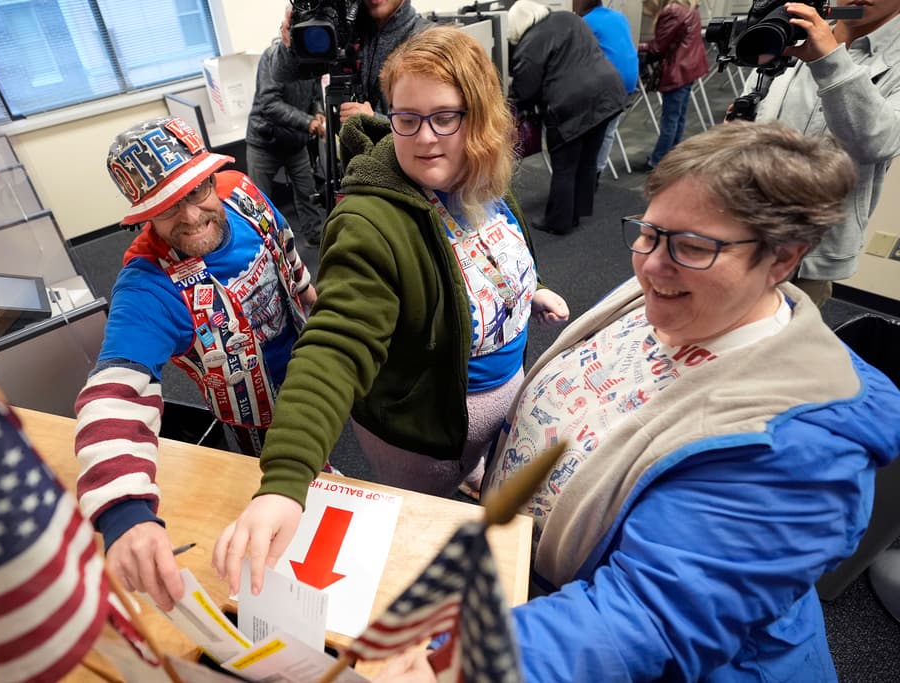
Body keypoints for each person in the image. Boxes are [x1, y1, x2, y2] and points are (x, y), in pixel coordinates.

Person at [378, 121, 900, 682]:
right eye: (648, 232)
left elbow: (646, 617)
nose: (651, 265)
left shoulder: (797, 452)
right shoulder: (676, 297)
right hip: (534, 589)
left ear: (782, 259)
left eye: (692, 246)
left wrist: (461, 660)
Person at [213, 25, 570, 596]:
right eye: (407, 118)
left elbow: (489, 256)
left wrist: (531, 289)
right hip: (423, 434)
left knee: (483, 483)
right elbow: (335, 346)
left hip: (496, 408)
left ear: (479, 118)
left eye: (444, 117)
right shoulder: (369, 224)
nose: (424, 138)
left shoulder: (486, 180)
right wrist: (285, 481)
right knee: (421, 535)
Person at [74, 115, 317, 611]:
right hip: (258, 423)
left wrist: (310, 300)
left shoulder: (242, 193)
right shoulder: (147, 284)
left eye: (196, 190)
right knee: (295, 518)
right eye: (165, 207)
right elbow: (113, 394)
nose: (189, 215)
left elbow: (286, 251)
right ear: (145, 215)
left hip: (314, 366)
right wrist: (124, 513)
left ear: (211, 176)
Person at [750, 0, 900, 307]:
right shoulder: (791, 33)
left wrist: (829, 61)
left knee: (783, 335)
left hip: (810, 252)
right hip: (744, 227)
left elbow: (876, 142)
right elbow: (754, 110)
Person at [507, 0, 627, 234]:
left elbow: (525, 89)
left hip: (570, 105)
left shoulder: (530, 41)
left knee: (564, 166)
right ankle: (576, 212)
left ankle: (558, 222)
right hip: (607, 94)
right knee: (588, 159)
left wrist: (512, 105)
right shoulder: (569, 18)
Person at [246, 9, 327, 248]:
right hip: (265, 142)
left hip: (295, 142)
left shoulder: (312, 60)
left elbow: (315, 95)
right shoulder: (273, 57)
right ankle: (263, 247)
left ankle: (316, 236)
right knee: (259, 201)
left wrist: (318, 111)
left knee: (308, 193)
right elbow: (270, 104)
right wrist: (308, 122)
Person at [271, 0, 425, 122]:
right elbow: (281, 73)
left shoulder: (425, 38)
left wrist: (375, 122)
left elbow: (430, 128)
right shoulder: (346, 29)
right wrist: (291, 43)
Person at [572, 0, 639, 176]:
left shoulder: (586, 23)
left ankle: (589, 174)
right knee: (608, 130)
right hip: (628, 83)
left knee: (586, 132)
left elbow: (574, 61)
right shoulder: (619, 17)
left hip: (608, 88)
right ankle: (597, 171)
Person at [639, 0, 708, 167]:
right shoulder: (689, 5)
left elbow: (658, 47)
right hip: (689, 66)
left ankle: (658, 160)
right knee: (679, 117)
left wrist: (635, 45)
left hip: (678, 69)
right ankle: (672, 157)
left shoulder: (672, 11)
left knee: (670, 120)